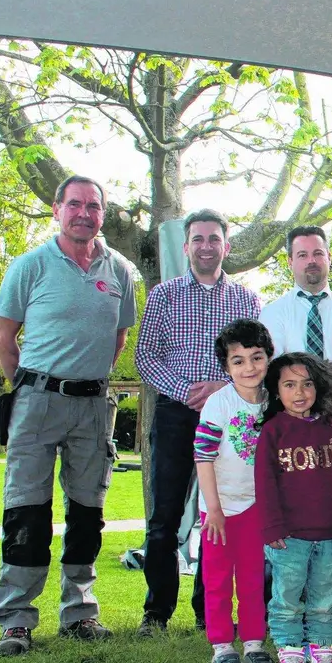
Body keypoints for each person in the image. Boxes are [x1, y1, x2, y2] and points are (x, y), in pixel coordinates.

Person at [0, 176, 137, 657]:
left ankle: (80, 612)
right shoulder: (29, 267)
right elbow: (4, 339)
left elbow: (117, 339)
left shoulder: (119, 270)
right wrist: (31, 389)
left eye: (93, 206)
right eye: (74, 204)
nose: (83, 213)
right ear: (57, 210)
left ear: (102, 213)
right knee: (27, 511)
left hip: (93, 406)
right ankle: (16, 619)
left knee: (88, 513)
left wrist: (85, 381)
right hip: (37, 401)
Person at [133, 208, 263, 637]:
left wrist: (220, 386)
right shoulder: (164, 295)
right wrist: (187, 388)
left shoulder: (246, 300)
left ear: (226, 246)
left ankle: (210, 609)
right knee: (164, 517)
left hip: (229, 417)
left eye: (214, 239)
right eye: (198, 239)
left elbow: (256, 359)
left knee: (217, 511)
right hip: (175, 414)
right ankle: (156, 612)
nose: (206, 246)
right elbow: (145, 357)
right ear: (186, 246)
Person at [254, 353, 332, 663]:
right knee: (287, 598)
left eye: (307, 384)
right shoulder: (273, 431)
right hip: (289, 537)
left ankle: (323, 650)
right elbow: (264, 484)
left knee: (325, 597)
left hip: (328, 536)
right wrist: (272, 527)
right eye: (290, 385)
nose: (300, 393)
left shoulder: (331, 429)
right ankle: (290, 652)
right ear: (276, 391)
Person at [192, 319, 274, 663]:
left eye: (256, 357)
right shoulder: (218, 404)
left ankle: (254, 643)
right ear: (226, 367)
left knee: (254, 579)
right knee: (218, 579)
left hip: (257, 508)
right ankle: (222, 647)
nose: (249, 367)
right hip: (220, 509)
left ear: (269, 358)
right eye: (238, 361)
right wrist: (214, 510)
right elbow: (203, 458)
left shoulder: (275, 401)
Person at [259, 225, 332, 410]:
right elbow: (271, 365)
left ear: (329, 257)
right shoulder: (272, 313)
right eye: (302, 255)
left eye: (318, 253)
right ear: (290, 262)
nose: (311, 261)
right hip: (290, 416)